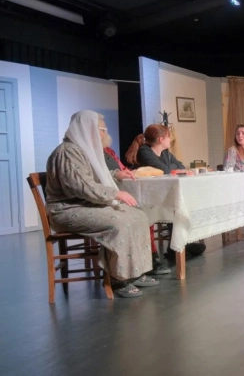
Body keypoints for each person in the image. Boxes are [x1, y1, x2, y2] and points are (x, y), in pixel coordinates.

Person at [45, 110, 158, 298]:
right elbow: (81, 186)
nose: (105, 134)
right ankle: (118, 278)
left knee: (139, 215)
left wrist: (116, 175)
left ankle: (134, 272)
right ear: (87, 129)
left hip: (87, 205)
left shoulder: (84, 150)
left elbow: (94, 176)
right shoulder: (67, 152)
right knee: (119, 223)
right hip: (68, 209)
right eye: (102, 129)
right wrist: (115, 193)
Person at [125, 124, 206, 258]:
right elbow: (166, 170)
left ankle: (179, 243)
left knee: (177, 203)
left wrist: (171, 168)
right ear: (161, 139)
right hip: (145, 197)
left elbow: (180, 166)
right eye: (168, 137)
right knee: (172, 205)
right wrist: (172, 168)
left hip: (160, 193)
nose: (170, 139)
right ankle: (176, 247)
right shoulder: (145, 152)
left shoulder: (165, 153)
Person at [103, 140, 169, 276]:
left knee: (145, 210)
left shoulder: (108, 150)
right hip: (107, 196)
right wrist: (116, 176)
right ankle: (134, 266)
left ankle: (147, 259)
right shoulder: (88, 152)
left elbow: (122, 169)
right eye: (102, 130)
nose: (105, 133)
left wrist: (123, 173)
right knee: (140, 211)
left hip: (119, 191)